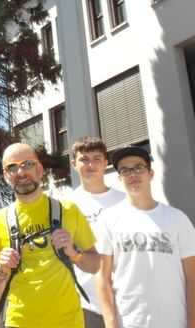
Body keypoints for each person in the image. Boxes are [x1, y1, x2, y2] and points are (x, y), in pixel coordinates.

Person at [0, 143, 99, 328]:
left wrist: (73, 252)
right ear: (5, 176)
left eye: (28, 163)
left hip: (67, 321)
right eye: (12, 167)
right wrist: (0, 269)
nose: (21, 171)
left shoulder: (68, 210)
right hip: (19, 321)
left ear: (40, 169)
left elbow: (95, 264)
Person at [96, 146, 195, 328]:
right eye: (125, 170)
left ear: (151, 173)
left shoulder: (176, 219)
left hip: (174, 322)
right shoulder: (109, 219)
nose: (133, 174)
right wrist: (111, 324)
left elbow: (194, 279)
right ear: (119, 178)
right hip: (128, 323)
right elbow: (103, 278)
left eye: (138, 168)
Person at [66, 136, 126, 328]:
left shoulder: (125, 201)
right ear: (74, 163)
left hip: (125, 300)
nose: (90, 164)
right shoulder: (66, 205)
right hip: (86, 304)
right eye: (84, 159)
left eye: (97, 159)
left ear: (106, 163)